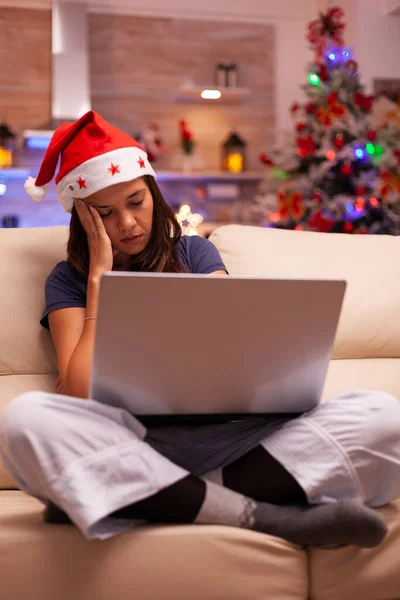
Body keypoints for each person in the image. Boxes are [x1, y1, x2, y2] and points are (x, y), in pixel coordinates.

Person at [0, 110, 400, 547]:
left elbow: (233, 351)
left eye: (136, 202)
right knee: (23, 421)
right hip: (132, 442)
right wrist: (99, 280)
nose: (128, 224)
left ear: (153, 192)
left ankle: (136, 496)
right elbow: (77, 393)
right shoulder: (69, 280)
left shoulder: (193, 255)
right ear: (84, 218)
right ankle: (258, 514)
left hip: (233, 440)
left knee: (383, 416)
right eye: (106, 214)